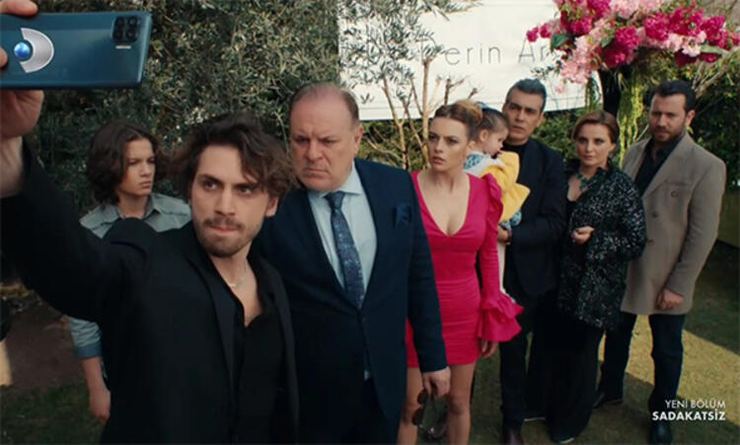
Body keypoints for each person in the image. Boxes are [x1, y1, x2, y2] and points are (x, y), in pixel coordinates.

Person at [0, 4, 299, 440]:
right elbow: (73, 269)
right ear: (189, 188)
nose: (225, 205)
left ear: (271, 202)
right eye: (211, 184)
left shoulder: (272, 283)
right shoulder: (145, 260)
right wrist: (8, 146)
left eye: (245, 189)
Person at [256, 82, 450, 443]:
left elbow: (417, 274)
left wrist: (433, 357)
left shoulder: (395, 187)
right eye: (300, 140)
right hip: (310, 397)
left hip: (382, 383)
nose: (312, 154)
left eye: (327, 141)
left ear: (357, 138)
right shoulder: (270, 204)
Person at [595, 80, 726, 445]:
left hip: (666, 274)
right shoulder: (636, 151)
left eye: (671, 115)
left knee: (666, 349)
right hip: (625, 265)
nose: (661, 122)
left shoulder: (707, 166)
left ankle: (662, 415)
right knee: (615, 334)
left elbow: (702, 235)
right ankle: (610, 388)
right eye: (656, 113)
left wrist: (679, 285)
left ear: (689, 116)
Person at [397, 100, 522, 445]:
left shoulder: (484, 190)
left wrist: (491, 314)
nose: (438, 148)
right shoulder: (405, 188)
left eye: (451, 141)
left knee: (458, 401)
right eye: (433, 138)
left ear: (470, 145)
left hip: (465, 313)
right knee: (411, 406)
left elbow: (488, 255)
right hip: (414, 311)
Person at [67, 120, 190, 424]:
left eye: (150, 161)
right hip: (125, 366)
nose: (146, 171)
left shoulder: (181, 217)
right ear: (111, 166)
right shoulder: (89, 233)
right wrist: (97, 387)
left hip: (185, 358)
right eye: (134, 163)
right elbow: (83, 316)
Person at [542, 111, 646, 443]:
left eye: (599, 141)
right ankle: (547, 406)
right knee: (552, 348)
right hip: (554, 279)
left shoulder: (621, 187)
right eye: (583, 140)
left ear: (612, 145)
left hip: (593, 288)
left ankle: (570, 422)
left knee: (581, 357)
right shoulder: (560, 175)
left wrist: (597, 239)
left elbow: (636, 240)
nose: (589, 148)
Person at [497, 78, 567, 445]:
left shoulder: (550, 161)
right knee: (463, 348)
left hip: (525, 273)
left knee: (513, 353)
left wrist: (512, 236)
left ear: (540, 118)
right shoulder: (478, 148)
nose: (519, 117)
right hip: (475, 269)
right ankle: (453, 410)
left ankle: (513, 422)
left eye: (529, 111)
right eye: (514, 107)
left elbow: (555, 222)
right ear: (504, 107)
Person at [463, 104, 530, 293]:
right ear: (484, 135)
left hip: (468, 218)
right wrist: (510, 160)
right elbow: (502, 185)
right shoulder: (488, 165)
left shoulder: (461, 161)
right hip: (492, 219)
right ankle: (497, 290)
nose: (501, 146)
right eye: (499, 140)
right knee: (495, 259)